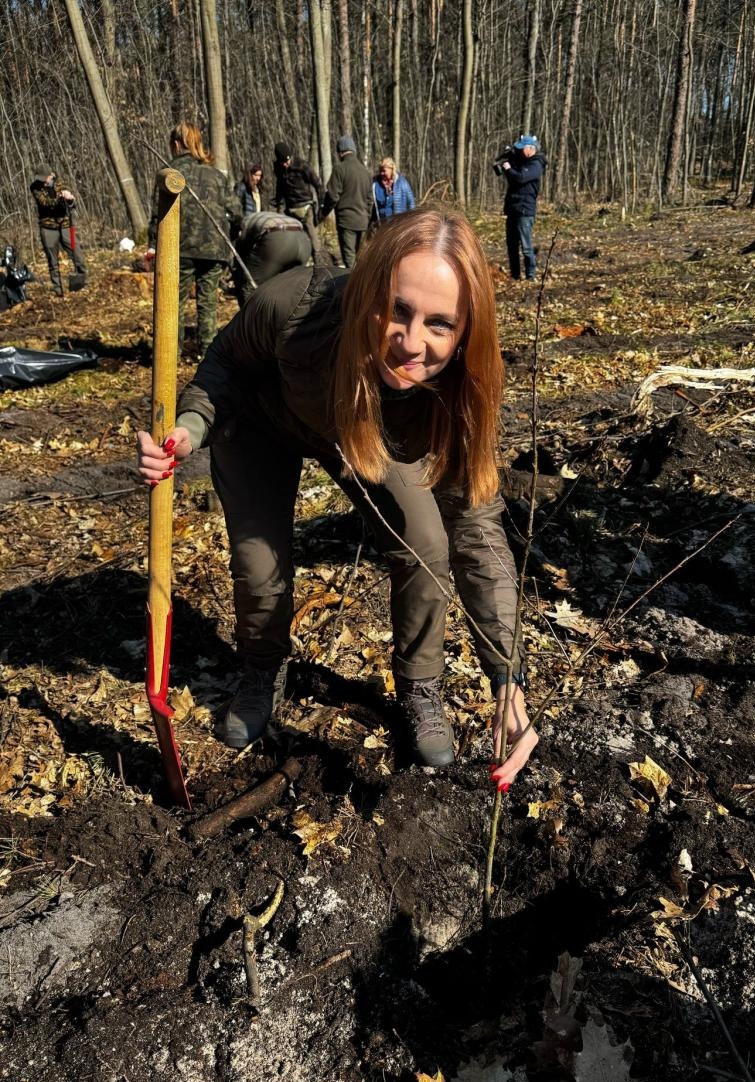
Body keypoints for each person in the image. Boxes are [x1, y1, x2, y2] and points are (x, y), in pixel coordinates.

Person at [136, 208, 538, 788]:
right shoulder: (294, 307)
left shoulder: (459, 391)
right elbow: (222, 366)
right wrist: (190, 428)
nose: (411, 342)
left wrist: (507, 680)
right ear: (369, 290)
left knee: (426, 543)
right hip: (263, 422)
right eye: (397, 310)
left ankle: (420, 686)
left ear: (466, 332)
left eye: (439, 324)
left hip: (360, 434)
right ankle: (261, 668)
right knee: (259, 563)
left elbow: (477, 531)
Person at [149, 123, 236, 357]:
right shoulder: (216, 175)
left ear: (177, 144)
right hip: (214, 250)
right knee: (208, 305)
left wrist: (152, 246)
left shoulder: (169, 174)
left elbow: (157, 215)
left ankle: (170, 354)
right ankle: (209, 354)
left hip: (179, 250)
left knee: (173, 304)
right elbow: (235, 211)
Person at [29, 166, 88, 296]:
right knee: (53, 260)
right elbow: (45, 203)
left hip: (66, 225)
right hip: (48, 227)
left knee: (76, 252)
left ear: (51, 175)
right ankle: (58, 290)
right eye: (40, 179)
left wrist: (70, 199)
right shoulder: (35, 187)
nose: (43, 182)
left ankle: (82, 282)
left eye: (45, 179)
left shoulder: (62, 182)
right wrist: (61, 197)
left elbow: (72, 203)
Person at [233, 210, 312, 306]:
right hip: (303, 240)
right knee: (293, 288)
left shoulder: (244, 223)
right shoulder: (262, 217)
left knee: (250, 285)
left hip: (279, 240)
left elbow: (241, 252)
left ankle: (250, 314)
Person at [321, 135, 373, 269]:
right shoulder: (365, 172)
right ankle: (362, 281)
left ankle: (353, 282)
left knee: (350, 260)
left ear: (340, 152)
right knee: (362, 259)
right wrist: (366, 216)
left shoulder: (340, 169)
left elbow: (332, 196)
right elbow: (370, 200)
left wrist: (322, 214)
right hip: (363, 221)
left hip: (346, 221)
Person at [499, 134, 546, 281]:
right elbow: (514, 178)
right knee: (511, 246)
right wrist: (508, 163)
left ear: (530, 148)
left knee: (526, 247)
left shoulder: (536, 164)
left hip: (525, 210)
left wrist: (509, 169)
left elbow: (521, 178)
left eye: (522, 148)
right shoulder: (521, 162)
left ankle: (530, 276)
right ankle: (515, 275)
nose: (519, 151)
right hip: (513, 209)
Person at [272, 141, 325, 263]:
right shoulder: (279, 169)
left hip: (305, 206)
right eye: (282, 162)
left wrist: (321, 204)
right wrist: (279, 204)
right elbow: (280, 187)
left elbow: (317, 184)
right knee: (289, 237)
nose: (285, 165)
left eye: (287, 161)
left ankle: (318, 260)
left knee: (312, 236)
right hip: (289, 208)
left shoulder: (302, 165)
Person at [373, 157, 415, 223]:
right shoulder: (375, 183)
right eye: (380, 171)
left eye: (384, 171)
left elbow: (411, 203)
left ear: (391, 169)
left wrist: (411, 221)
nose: (381, 173)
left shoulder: (402, 182)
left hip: (398, 223)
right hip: (380, 224)